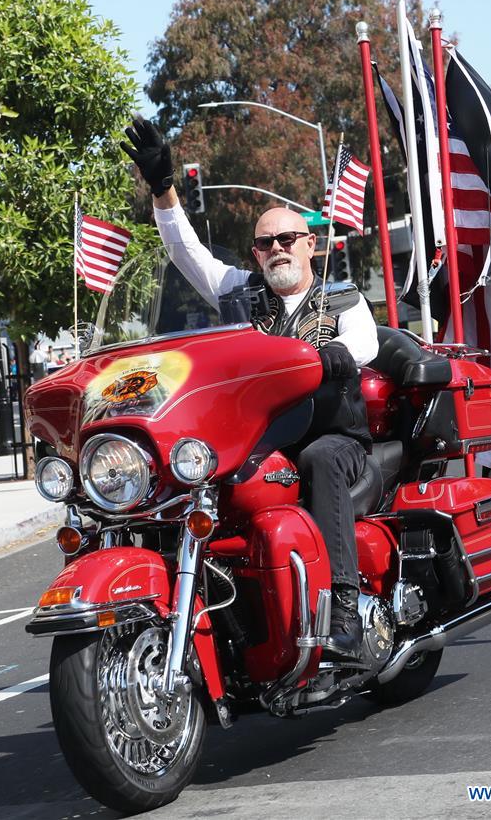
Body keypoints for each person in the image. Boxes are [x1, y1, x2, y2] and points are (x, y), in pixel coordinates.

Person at [122, 116, 379, 660]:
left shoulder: (343, 299)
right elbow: (185, 252)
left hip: (333, 437)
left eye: (288, 239)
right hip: (255, 441)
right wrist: (163, 187)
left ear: (310, 244)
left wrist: (329, 356)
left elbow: (364, 346)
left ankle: (347, 615)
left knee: (323, 461)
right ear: (256, 253)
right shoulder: (240, 293)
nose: (277, 249)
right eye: (266, 243)